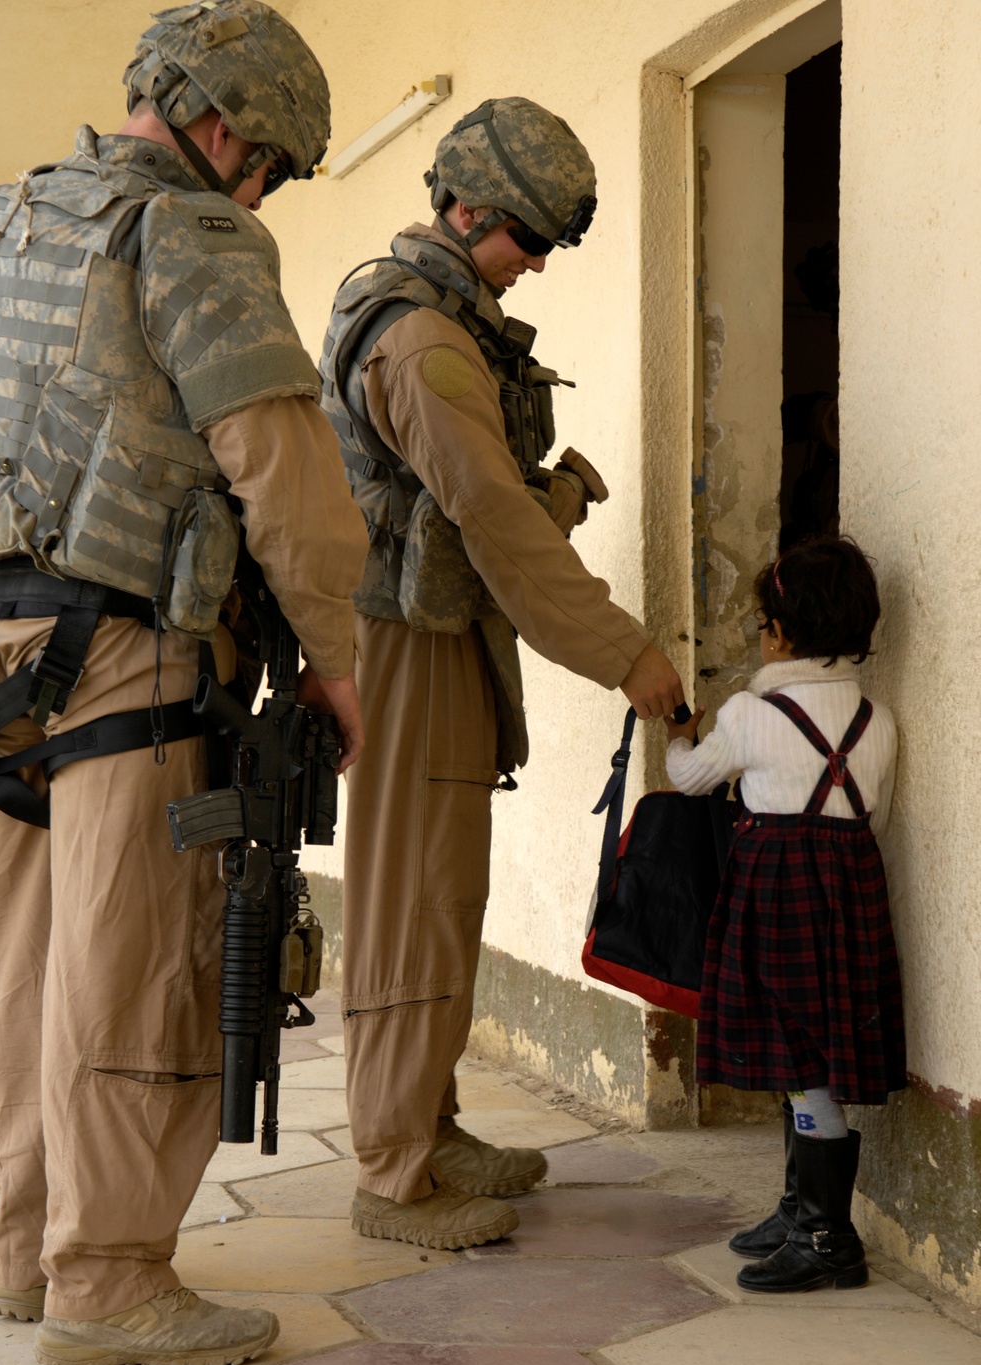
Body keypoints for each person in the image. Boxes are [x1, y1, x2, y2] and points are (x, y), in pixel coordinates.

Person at [0, 1, 368, 1365]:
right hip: (128, 657)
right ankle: (109, 1278)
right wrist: (339, 657)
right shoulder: (193, 231)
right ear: (224, 129)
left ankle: (29, 1253)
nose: (262, 190)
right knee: (132, 967)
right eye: (270, 164)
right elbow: (283, 470)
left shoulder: (4, 219)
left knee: (26, 972)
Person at [319, 96, 684, 1251]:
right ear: (463, 206)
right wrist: (625, 655)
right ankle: (392, 1173)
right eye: (523, 239)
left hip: (437, 643)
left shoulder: (441, 319)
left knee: (443, 900)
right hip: (406, 649)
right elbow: (496, 530)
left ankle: (427, 1121)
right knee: (411, 909)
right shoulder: (425, 343)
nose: (531, 264)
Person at [665, 536, 906, 1293]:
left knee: (800, 1059)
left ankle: (830, 1238)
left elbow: (690, 778)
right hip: (850, 885)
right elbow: (879, 821)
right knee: (816, 1050)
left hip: (777, 892)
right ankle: (801, 1206)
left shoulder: (746, 714)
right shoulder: (878, 720)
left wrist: (677, 731)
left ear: (780, 632)